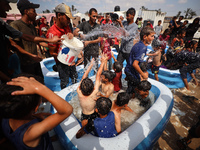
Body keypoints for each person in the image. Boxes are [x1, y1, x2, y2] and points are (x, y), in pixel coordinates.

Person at [0, 74, 73, 149]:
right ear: (36, 108)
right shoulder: (31, 133)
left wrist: (33, 117)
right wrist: (39, 88)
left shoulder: (6, 116)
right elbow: (67, 110)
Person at [0, 0, 62, 83]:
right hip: (25, 65)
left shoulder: (32, 26)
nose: (36, 14)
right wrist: (31, 56)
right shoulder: (16, 25)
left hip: (35, 63)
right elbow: (14, 45)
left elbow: (37, 40)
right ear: (26, 12)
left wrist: (52, 45)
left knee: (41, 84)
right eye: (34, 11)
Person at [46, 3, 78, 89]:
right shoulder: (52, 33)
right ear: (59, 15)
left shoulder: (66, 26)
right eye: (67, 18)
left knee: (75, 79)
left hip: (71, 61)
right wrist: (67, 59)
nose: (69, 21)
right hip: (62, 63)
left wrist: (71, 35)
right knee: (65, 82)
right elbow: (52, 52)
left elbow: (70, 40)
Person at [77, 54, 107, 128]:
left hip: (84, 115)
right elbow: (98, 75)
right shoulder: (94, 92)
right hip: (93, 114)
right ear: (93, 88)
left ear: (81, 87)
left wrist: (90, 65)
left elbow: (84, 76)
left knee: (84, 129)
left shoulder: (79, 91)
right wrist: (103, 62)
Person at [125, 27, 155, 94]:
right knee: (132, 90)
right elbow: (135, 64)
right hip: (132, 72)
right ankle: (126, 101)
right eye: (152, 36)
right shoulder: (143, 47)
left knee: (130, 87)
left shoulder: (138, 44)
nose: (153, 38)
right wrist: (142, 74)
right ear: (145, 37)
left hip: (129, 70)